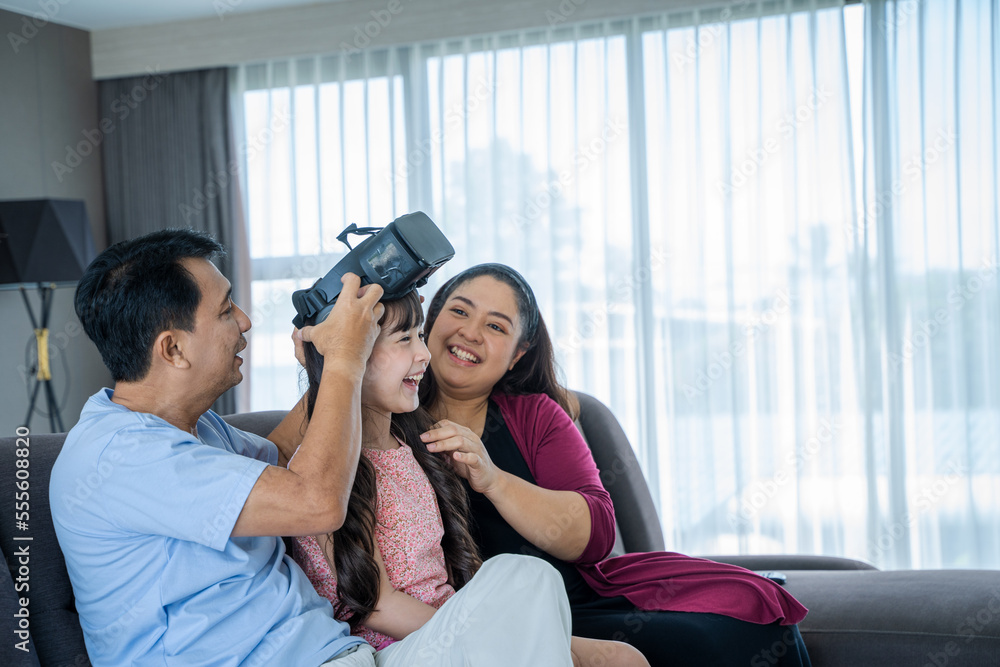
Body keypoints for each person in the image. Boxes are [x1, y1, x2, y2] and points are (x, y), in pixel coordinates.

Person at [48, 230, 568, 667]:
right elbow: (316, 500)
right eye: (227, 309)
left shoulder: (197, 430)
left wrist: (325, 362)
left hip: (343, 656)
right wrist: (345, 360)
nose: (247, 322)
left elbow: (288, 459)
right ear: (174, 348)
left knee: (524, 581)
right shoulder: (120, 457)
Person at [418, 263, 814, 667]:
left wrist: (494, 480)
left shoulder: (535, 415)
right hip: (485, 619)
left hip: (577, 602)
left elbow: (595, 534)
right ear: (431, 319)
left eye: (496, 327)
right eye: (460, 311)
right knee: (698, 644)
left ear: (518, 355)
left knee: (753, 618)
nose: (470, 333)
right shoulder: (388, 415)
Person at [290, 289, 647, 666]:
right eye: (404, 339)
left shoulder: (412, 447)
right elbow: (378, 608)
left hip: (452, 627)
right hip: (396, 647)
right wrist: (486, 633)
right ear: (352, 353)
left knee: (623, 658)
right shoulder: (329, 469)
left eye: (421, 336)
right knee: (526, 574)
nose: (424, 354)